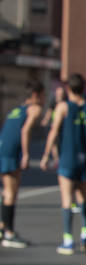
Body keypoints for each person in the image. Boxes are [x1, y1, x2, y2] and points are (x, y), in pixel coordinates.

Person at [40, 73, 86, 255]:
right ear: (84, 89)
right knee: (84, 198)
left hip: (68, 157)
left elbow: (54, 131)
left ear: (68, 89)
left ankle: (68, 240)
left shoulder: (64, 107)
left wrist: (46, 155)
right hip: (85, 157)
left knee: (67, 199)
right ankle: (85, 234)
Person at [0, 81, 43, 248]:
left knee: (6, 192)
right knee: (11, 192)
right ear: (36, 95)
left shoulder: (15, 110)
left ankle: (3, 227)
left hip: (3, 150)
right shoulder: (35, 109)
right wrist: (25, 154)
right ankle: (9, 234)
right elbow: (25, 131)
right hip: (11, 153)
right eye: (43, 95)